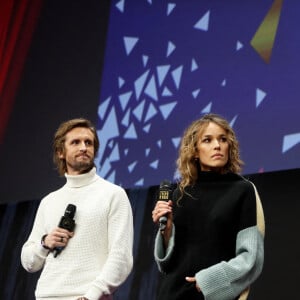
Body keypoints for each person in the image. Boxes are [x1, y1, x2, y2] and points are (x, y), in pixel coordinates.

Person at [152, 113, 265, 300]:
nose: (217, 145)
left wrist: (207, 281)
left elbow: (251, 259)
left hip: (214, 295)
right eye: (207, 140)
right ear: (195, 150)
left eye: (223, 139)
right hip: (172, 294)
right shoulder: (176, 193)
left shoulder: (242, 190)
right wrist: (167, 231)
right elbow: (166, 265)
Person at [21, 118, 134, 300]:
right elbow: (29, 262)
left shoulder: (113, 194)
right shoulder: (49, 201)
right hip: (46, 295)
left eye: (88, 143)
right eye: (76, 142)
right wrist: (45, 243)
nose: (83, 147)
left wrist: (92, 295)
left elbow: (121, 257)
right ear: (60, 152)